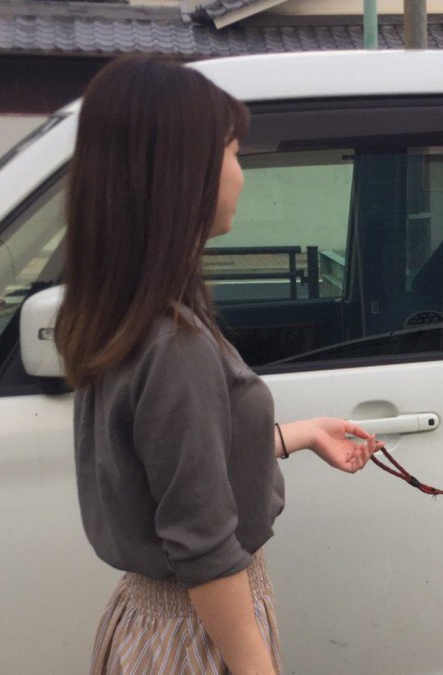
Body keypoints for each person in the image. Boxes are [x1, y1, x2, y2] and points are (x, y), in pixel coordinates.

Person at [54, 56, 379, 675]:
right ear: (182, 175)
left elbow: (176, 468)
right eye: (234, 153)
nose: (242, 174)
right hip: (197, 633)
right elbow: (203, 548)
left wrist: (300, 434)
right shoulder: (175, 345)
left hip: (153, 621)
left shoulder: (123, 315)